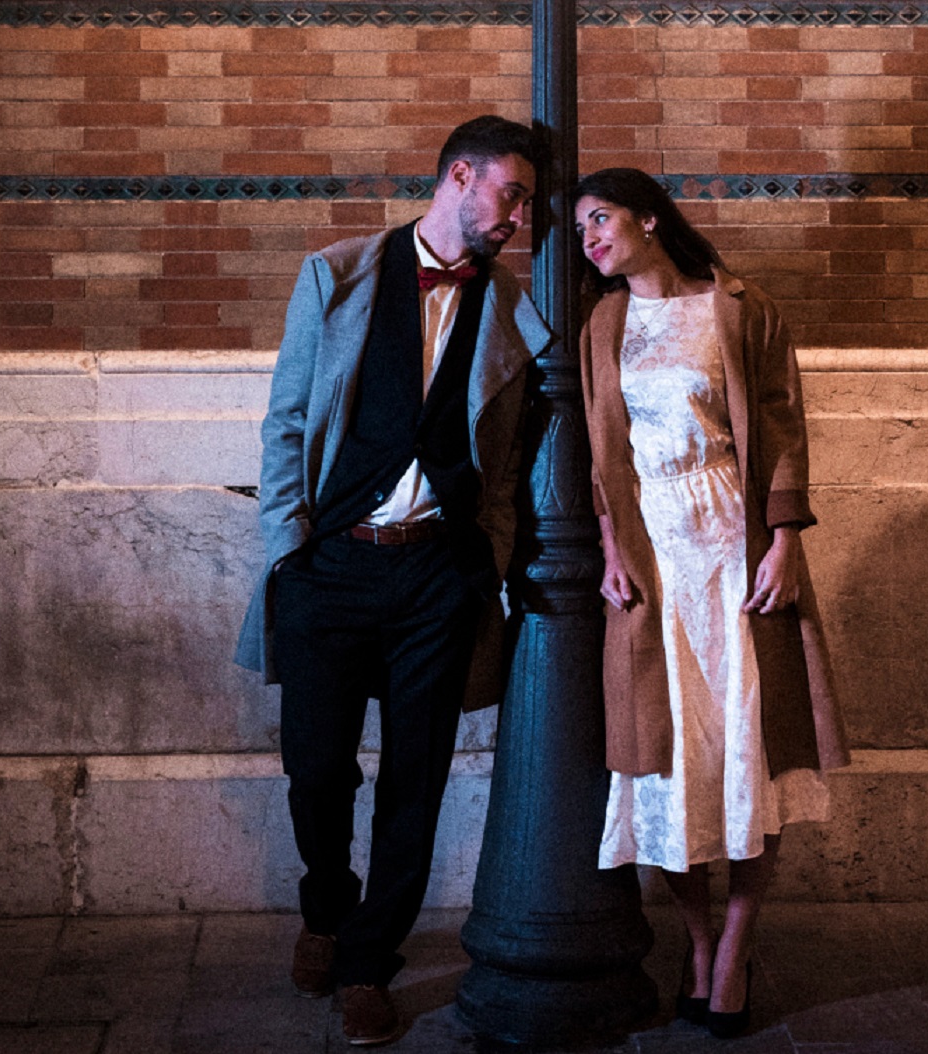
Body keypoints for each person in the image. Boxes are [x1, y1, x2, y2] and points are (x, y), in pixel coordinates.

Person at [235, 116, 550, 1047]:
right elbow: (287, 420)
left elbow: (503, 460)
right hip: (330, 565)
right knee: (317, 770)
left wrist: (486, 560)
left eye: (528, 201)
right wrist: (288, 549)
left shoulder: (515, 308)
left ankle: (372, 961)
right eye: (512, 194)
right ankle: (326, 911)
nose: (520, 218)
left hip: (438, 576)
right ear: (461, 177)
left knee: (417, 778)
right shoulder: (335, 275)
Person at [573, 168, 850, 1039]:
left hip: (733, 544)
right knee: (666, 765)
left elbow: (783, 426)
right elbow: (599, 456)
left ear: (649, 219)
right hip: (654, 559)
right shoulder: (603, 322)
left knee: (749, 754)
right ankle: (696, 942)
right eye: (579, 227)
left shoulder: (739, 305)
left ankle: (734, 948)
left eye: (601, 218)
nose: (589, 236)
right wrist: (612, 552)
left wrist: (786, 539)